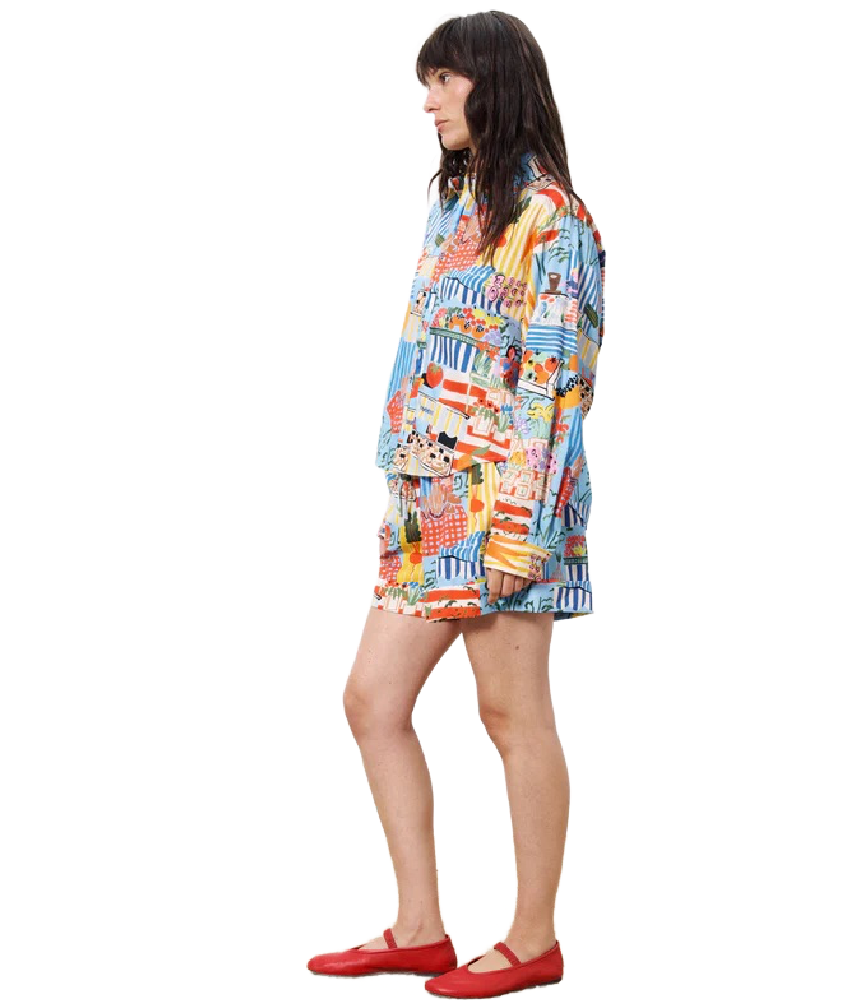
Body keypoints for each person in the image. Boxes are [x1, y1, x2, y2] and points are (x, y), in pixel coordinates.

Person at [307, 12, 605, 998]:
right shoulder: (455, 204)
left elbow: (555, 385)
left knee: (511, 713)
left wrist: (520, 530)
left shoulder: (554, 219)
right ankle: (419, 926)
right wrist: (399, 473)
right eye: (426, 82)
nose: (428, 101)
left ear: (496, 81)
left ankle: (533, 940)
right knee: (371, 700)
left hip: (508, 510)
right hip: (426, 506)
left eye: (444, 80)